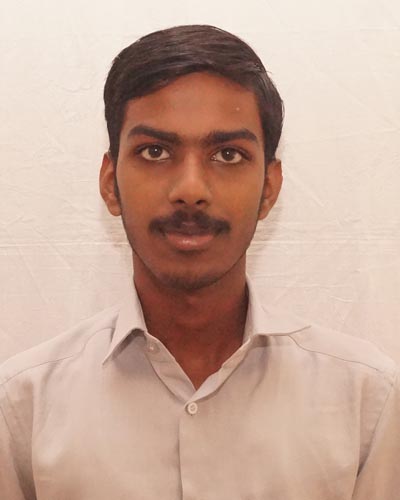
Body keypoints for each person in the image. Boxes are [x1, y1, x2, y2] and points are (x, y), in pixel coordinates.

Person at [0, 24, 399, 500]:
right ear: (110, 183)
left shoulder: (366, 402)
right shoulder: (21, 407)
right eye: (155, 151)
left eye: (227, 154)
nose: (190, 189)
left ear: (269, 188)